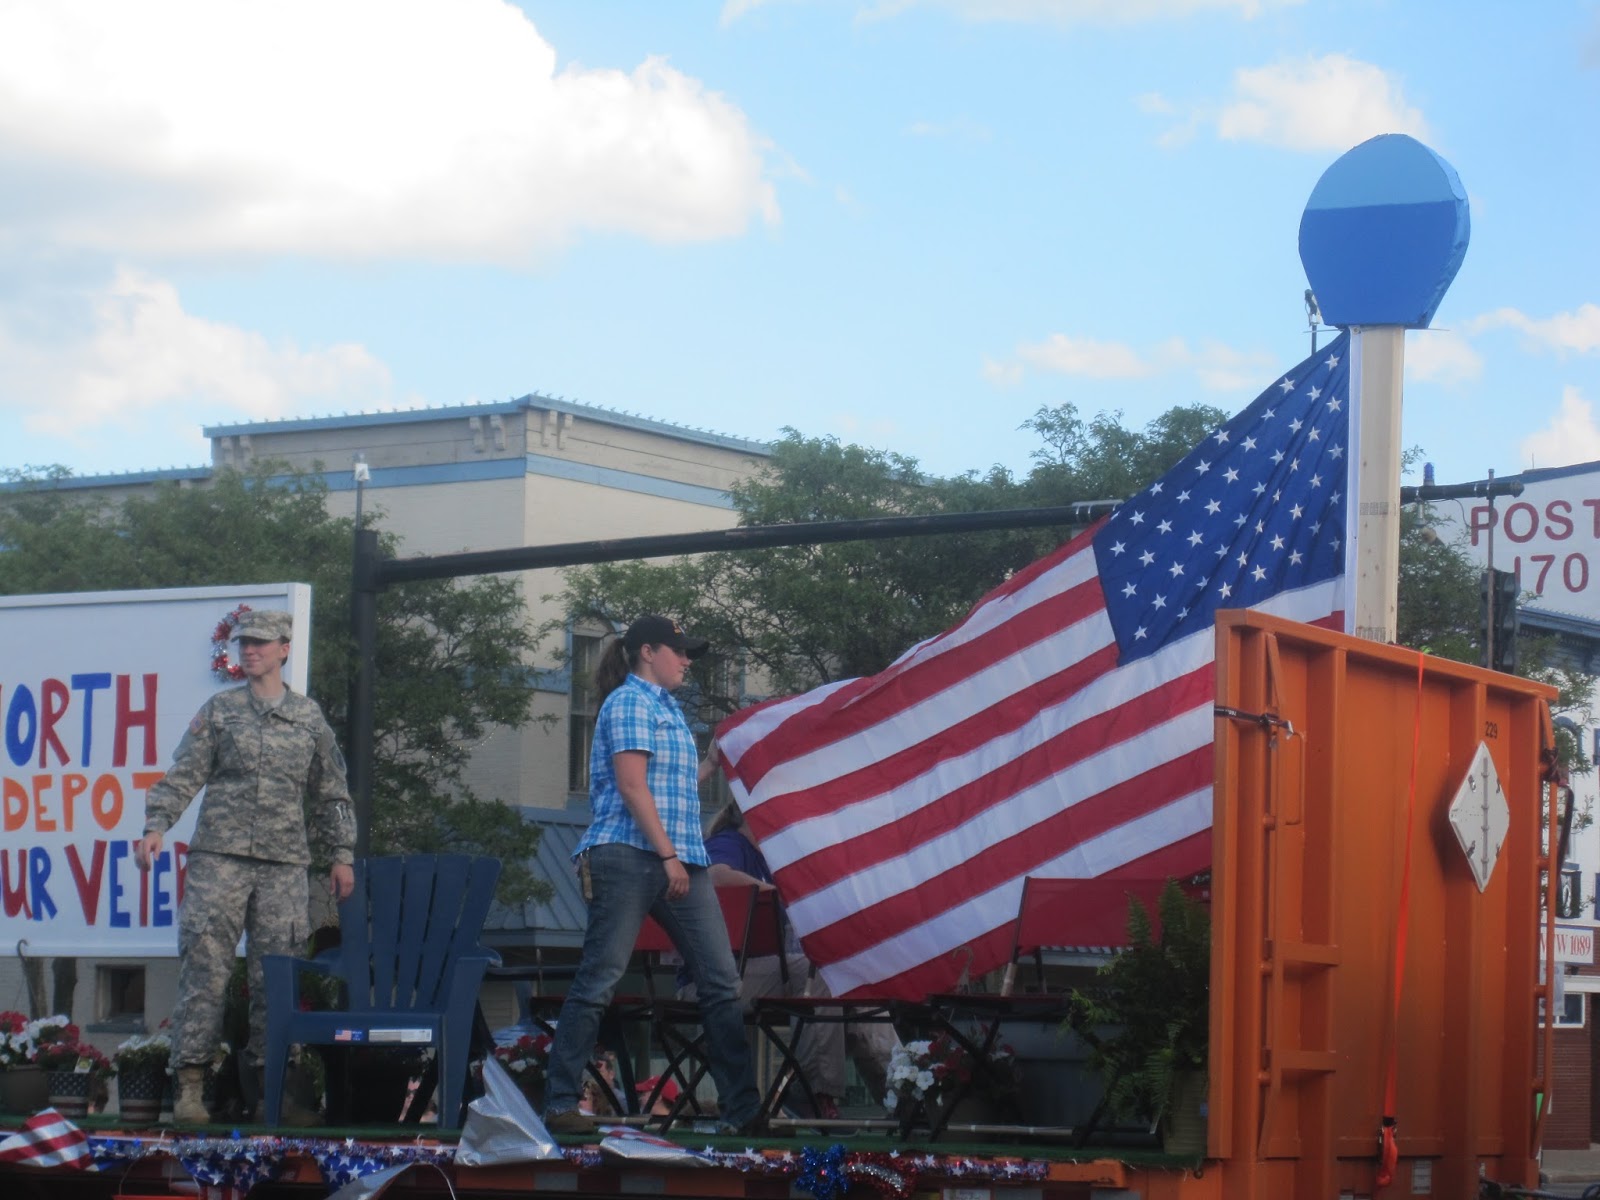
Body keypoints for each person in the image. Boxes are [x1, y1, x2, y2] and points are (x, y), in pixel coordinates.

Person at [542, 615, 764, 1137]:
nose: (687, 661)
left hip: (681, 857)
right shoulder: (628, 702)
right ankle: (559, 1102)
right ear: (648, 652)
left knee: (721, 981)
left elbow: (668, 786)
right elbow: (632, 786)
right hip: (629, 855)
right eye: (679, 651)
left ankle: (742, 1111)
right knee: (601, 976)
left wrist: (708, 766)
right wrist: (668, 857)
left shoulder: (666, 708)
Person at [134, 608, 357, 1125]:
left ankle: (273, 1091)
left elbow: (331, 792)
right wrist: (156, 825)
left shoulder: (308, 718)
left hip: (283, 865)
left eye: (259, 642)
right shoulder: (221, 711)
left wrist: (341, 855)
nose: (249, 650)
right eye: (243, 643)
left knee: (276, 977)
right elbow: (183, 774)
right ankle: (191, 1087)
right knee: (204, 971)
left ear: (284, 648)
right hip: (220, 860)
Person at [687, 802, 900, 1118]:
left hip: (757, 973)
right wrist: (780, 894)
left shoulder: (774, 859)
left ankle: (905, 1093)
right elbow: (716, 876)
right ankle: (812, 1092)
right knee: (826, 975)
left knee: (853, 986)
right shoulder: (729, 842)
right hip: (713, 978)